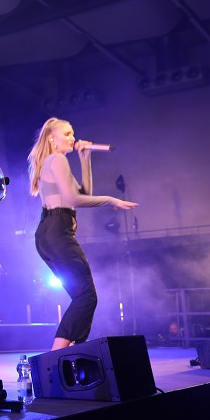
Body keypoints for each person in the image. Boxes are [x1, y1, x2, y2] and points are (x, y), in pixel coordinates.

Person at [28, 117, 137, 350]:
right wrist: (111, 200)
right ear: (52, 138)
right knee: (87, 296)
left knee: (83, 297)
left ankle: (62, 357)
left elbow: (85, 192)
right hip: (59, 231)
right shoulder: (56, 159)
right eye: (67, 134)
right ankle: (55, 359)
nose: (73, 138)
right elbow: (73, 199)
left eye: (73, 134)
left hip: (47, 234)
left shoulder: (51, 161)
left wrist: (84, 158)